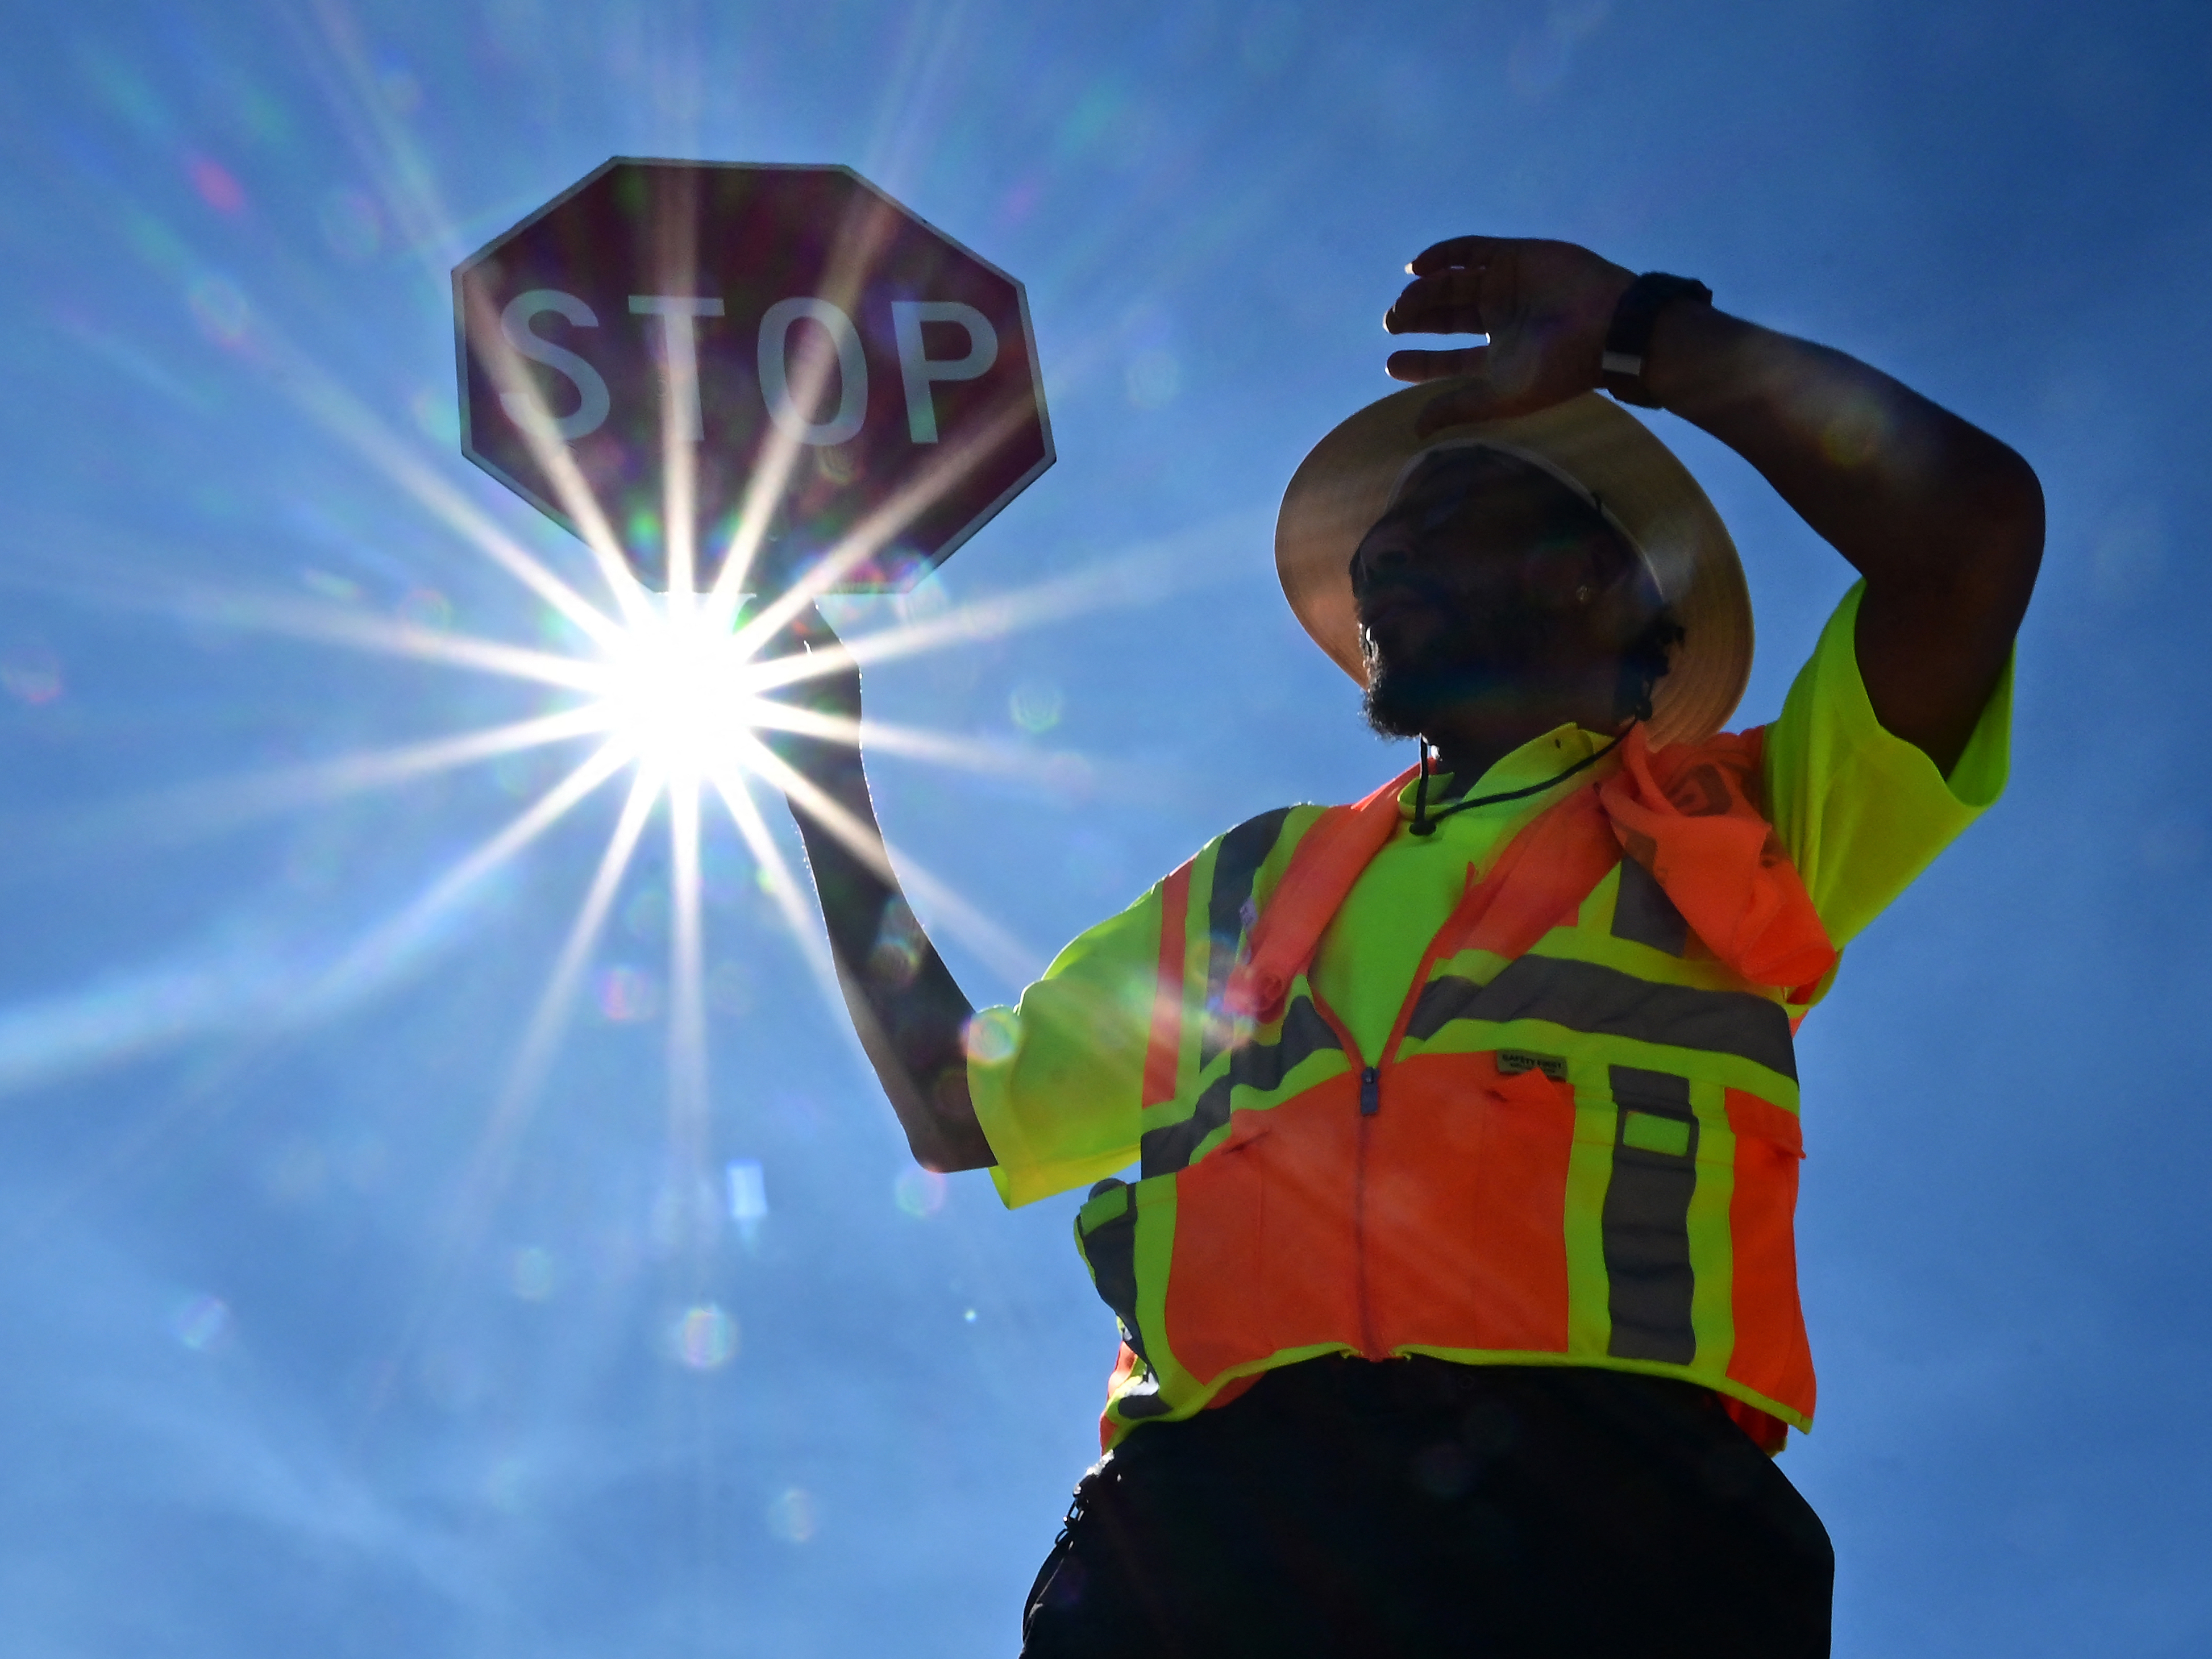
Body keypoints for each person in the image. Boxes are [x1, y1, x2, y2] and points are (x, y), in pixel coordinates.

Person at [768, 236, 2041, 1657]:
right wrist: (825, 778)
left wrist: (1639, 334)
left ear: (1599, 582)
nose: (1377, 555)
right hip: (1204, 1545)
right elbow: (963, 1109)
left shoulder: (1746, 820)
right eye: (1383, 539)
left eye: (1441, 515)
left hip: (1612, 1540)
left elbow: (1969, 534)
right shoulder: (1247, 881)